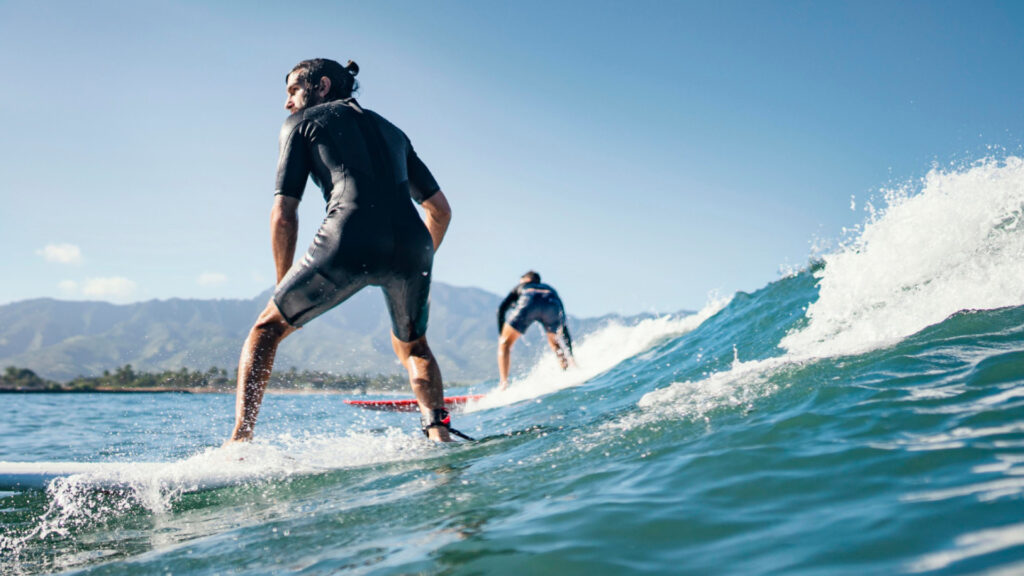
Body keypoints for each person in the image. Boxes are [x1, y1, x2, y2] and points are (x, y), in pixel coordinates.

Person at [227, 58, 460, 443]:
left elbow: (283, 214)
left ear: (320, 86)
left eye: (291, 90)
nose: (287, 102)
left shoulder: (301, 124)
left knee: (265, 331)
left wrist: (282, 283)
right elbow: (440, 211)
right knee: (415, 346)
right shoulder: (395, 132)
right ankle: (440, 437)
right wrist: (418, 259)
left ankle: (239, 441)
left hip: (347, 235)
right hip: (413, 245)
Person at [496, 271, 575, 389]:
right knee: (555, 343)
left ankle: (503, 384)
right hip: (551, 304)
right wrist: (571, 352)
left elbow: (501, 309)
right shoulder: (550, 288)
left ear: (526, 279)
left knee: (505, 343)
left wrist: (501, 334)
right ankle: (568, 371)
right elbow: (563, 325)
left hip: (529, 302)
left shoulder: (522, 286)